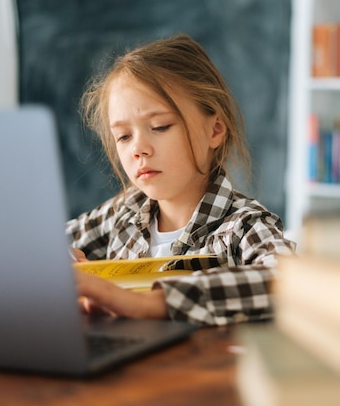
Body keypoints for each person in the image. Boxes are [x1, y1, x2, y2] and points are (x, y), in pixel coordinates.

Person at [66, 34, 296, 326]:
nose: (138, 149)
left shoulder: (243, 226)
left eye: (160, 127)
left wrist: (147, 303)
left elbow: (290, 283)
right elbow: (38, 245)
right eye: (123, 136)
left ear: (215, 130)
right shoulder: (122, 214)